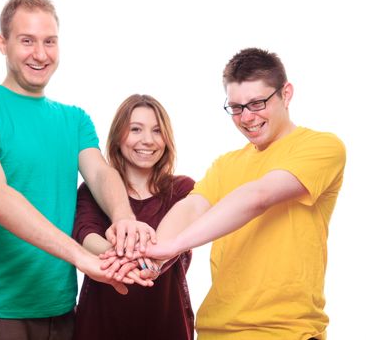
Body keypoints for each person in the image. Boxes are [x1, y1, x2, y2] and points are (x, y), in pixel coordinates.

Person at [0, 0, 154, 339]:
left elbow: (101, 174)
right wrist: (82, 259)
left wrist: (123, 218)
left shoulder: (74, 120)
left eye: (50, 42)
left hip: (62, 311)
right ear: (3, 43)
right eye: (27, 41)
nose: (40, 54)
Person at [107, 48, 346, 339]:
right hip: (215, 331)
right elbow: (191, 208)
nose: (247, 117)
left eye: (257, 103)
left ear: (286, 93)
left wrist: (175, 246)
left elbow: (259, 196)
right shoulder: (226, 164)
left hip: (285, 331)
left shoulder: (321, 147)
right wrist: (153, 259)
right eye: (236, 107)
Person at [72, 94, 195, 340]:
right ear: (118, 136)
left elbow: (173, 243)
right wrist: (128, 260)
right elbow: (85, 235)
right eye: (136, 129)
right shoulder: (92, 190)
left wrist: (133, 259)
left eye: (157, 131)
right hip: (100, 325)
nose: (147, 140)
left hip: (167, 323)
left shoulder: (183, 189)